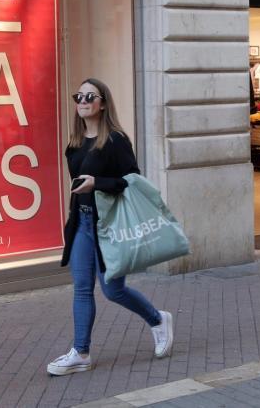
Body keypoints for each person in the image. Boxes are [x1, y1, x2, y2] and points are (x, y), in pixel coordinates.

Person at [47, 78, 173, 376]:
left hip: (109, 227)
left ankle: (158, 319)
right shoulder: (75, 144)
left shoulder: (116, 140)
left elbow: (132, 180)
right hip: (82, 223)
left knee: (113, 291)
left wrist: (98, 183)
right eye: (79, 96)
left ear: (103, 103)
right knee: (81, 288)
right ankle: (81, 352)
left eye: (90, 96)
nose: (83, 101)